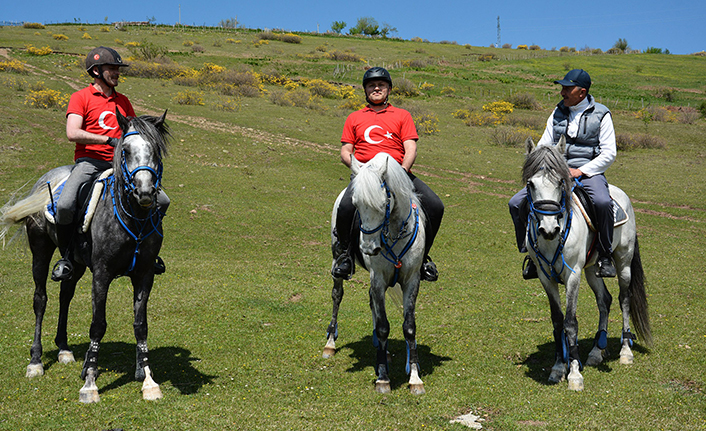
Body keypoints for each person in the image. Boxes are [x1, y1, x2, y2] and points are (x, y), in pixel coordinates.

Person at [51, 46, 169, 281]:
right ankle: (66, 258)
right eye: (112, 68)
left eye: (117, 69)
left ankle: (147, 253)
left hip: (120, 167)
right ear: (96, 71)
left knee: (162, 200)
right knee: (65, 205)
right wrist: (108, 139)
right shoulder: (80, 97)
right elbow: (72, 132)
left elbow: (134, 133)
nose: (116, 72)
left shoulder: (123, 101)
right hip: (89, 163)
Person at [332, 67, 444, 281]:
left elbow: (410, 148)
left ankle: (423, 258)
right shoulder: (354, 117)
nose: (376, 88)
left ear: (389, 89)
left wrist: (401, 171)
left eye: (381, 85)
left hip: (399, 174)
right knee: (345, 208)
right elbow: (346, 152)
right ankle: (346, 256)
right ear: (365, 90)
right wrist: (359, 170)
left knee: (436, 205)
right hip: (365, 175)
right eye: (371, 85)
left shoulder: (402, 115)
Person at [508, 68, 617, 279]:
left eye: (568, 88)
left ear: (582, 92)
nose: (562, 92)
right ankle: (531, 254)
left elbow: (609, 153)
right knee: (515, 203)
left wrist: (580, 170)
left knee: (603, 203)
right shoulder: (557, 112)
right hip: (555, 173)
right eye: (562, 88)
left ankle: (605, 256)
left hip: (588, 172)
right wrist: (543, 165)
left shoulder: (602, 115)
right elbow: (543, 144)